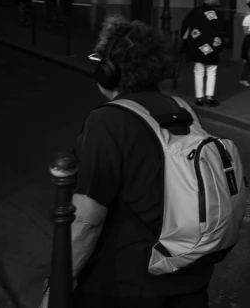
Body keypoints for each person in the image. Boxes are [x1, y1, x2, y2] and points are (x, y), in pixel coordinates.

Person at [39, 15, 213, 307]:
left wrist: (54, 290)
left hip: (127, 284)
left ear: (109, 71)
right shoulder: (181, 107)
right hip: (187, 274)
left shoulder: (107, 121)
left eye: (99, 60)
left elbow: (86, 222)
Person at [180, 0, 228, 107]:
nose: (217, 0)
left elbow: (185, 25)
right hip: (211, 45)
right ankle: (210, 97)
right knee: (211, 70)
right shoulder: (215, 13)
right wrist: (219, 40)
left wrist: (187, 41)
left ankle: (199, 98)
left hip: (196, 45)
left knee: (198, 71)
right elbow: (222, 28)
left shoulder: (194, 11)